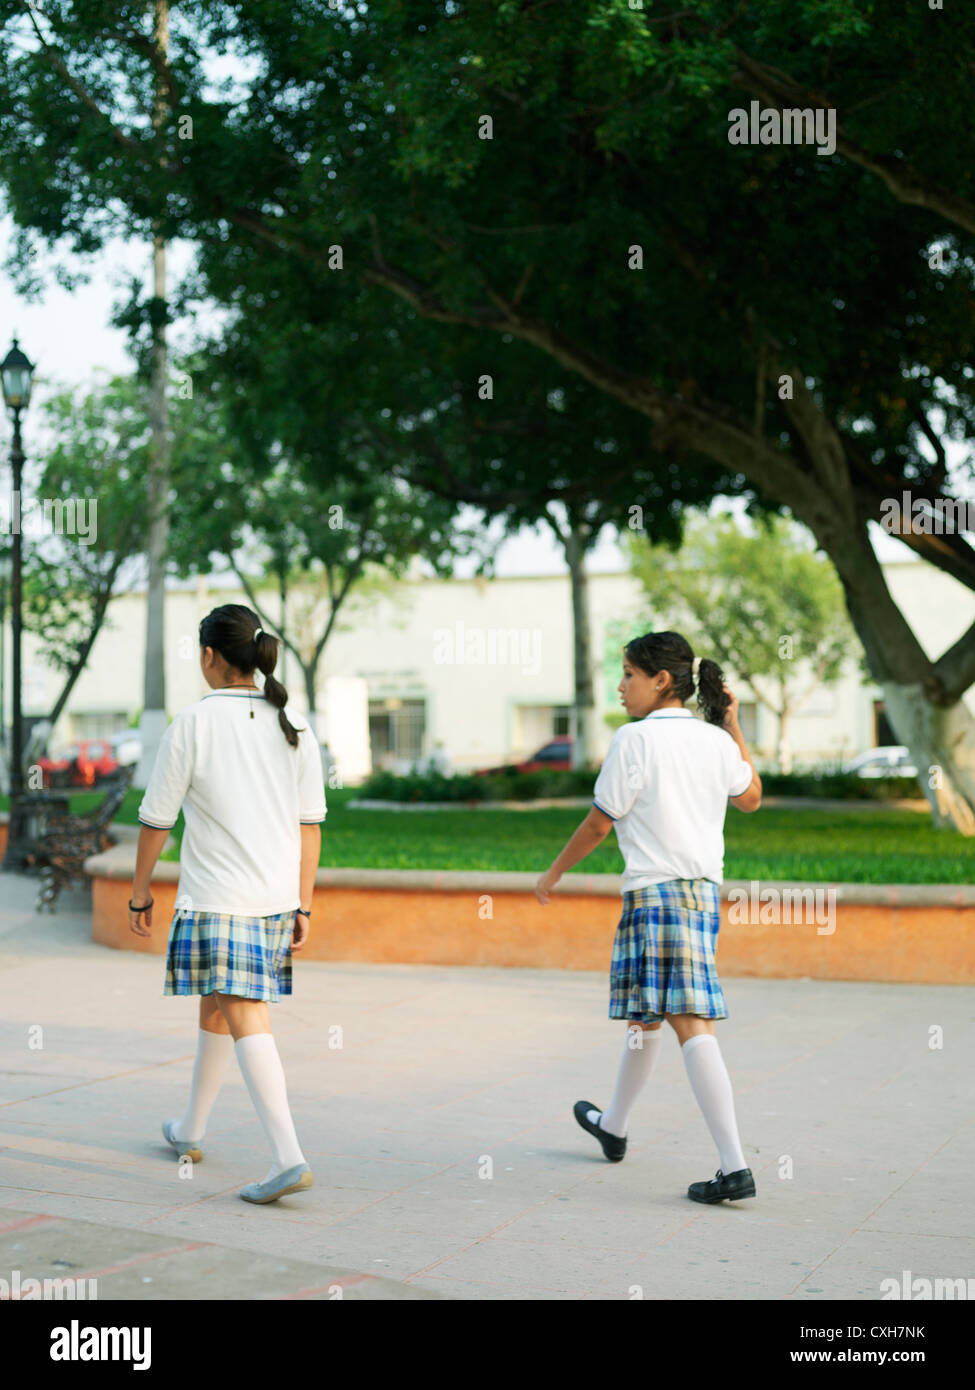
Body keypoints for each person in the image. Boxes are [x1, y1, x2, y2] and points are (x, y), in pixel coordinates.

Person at [535, 631, 762, 1205]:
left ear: (661, 681)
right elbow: (752, 795)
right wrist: (731, 722)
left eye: (629, 675)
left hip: (656, 896)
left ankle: (735, 1166)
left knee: (689, 1020)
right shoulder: (714, 741)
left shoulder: (633, 741)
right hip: (702, 896)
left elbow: (599, 822)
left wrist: (552, 874)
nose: (620, 686)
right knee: (647, 1017)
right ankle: (614, 1125)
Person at [129, 604, 327, 1205]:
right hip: (272, 902)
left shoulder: (191, 724)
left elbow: (155, 821)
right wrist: (304, 906)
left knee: (244, 1014)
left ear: (210, 656)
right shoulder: (291, 724)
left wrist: (139, 892)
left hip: (220, 902)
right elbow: (311, 826)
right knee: (218, 1006)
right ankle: (190, 1128)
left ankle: (288, 1157)